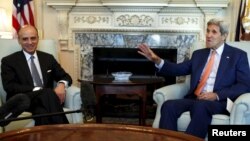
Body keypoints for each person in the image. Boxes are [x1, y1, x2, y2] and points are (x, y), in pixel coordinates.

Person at [137, 18, 250, 138]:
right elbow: (177, 69)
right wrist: (157, 60)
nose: (209, 35)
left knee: (201, 106)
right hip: (196, 99)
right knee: (168, 105)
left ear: (224, 36)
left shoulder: (238, 55)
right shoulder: (199, 54)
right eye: (207, 31)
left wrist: (216, 95)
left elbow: (244, 85)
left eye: (214, 32)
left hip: (220, 101)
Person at [1, 25, 72, 125]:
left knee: (41, 112)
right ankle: (65, 130)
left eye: (33, 38)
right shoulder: (9, 61)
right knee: (47, 92)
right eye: (25, 39)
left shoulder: (48, 58)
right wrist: (38, 90)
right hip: (23, 101)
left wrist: (61, 85)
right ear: (19, 41)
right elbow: (10, 86)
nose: (30, 42)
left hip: (46, 101)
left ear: (38, 39)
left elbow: (65, 77)